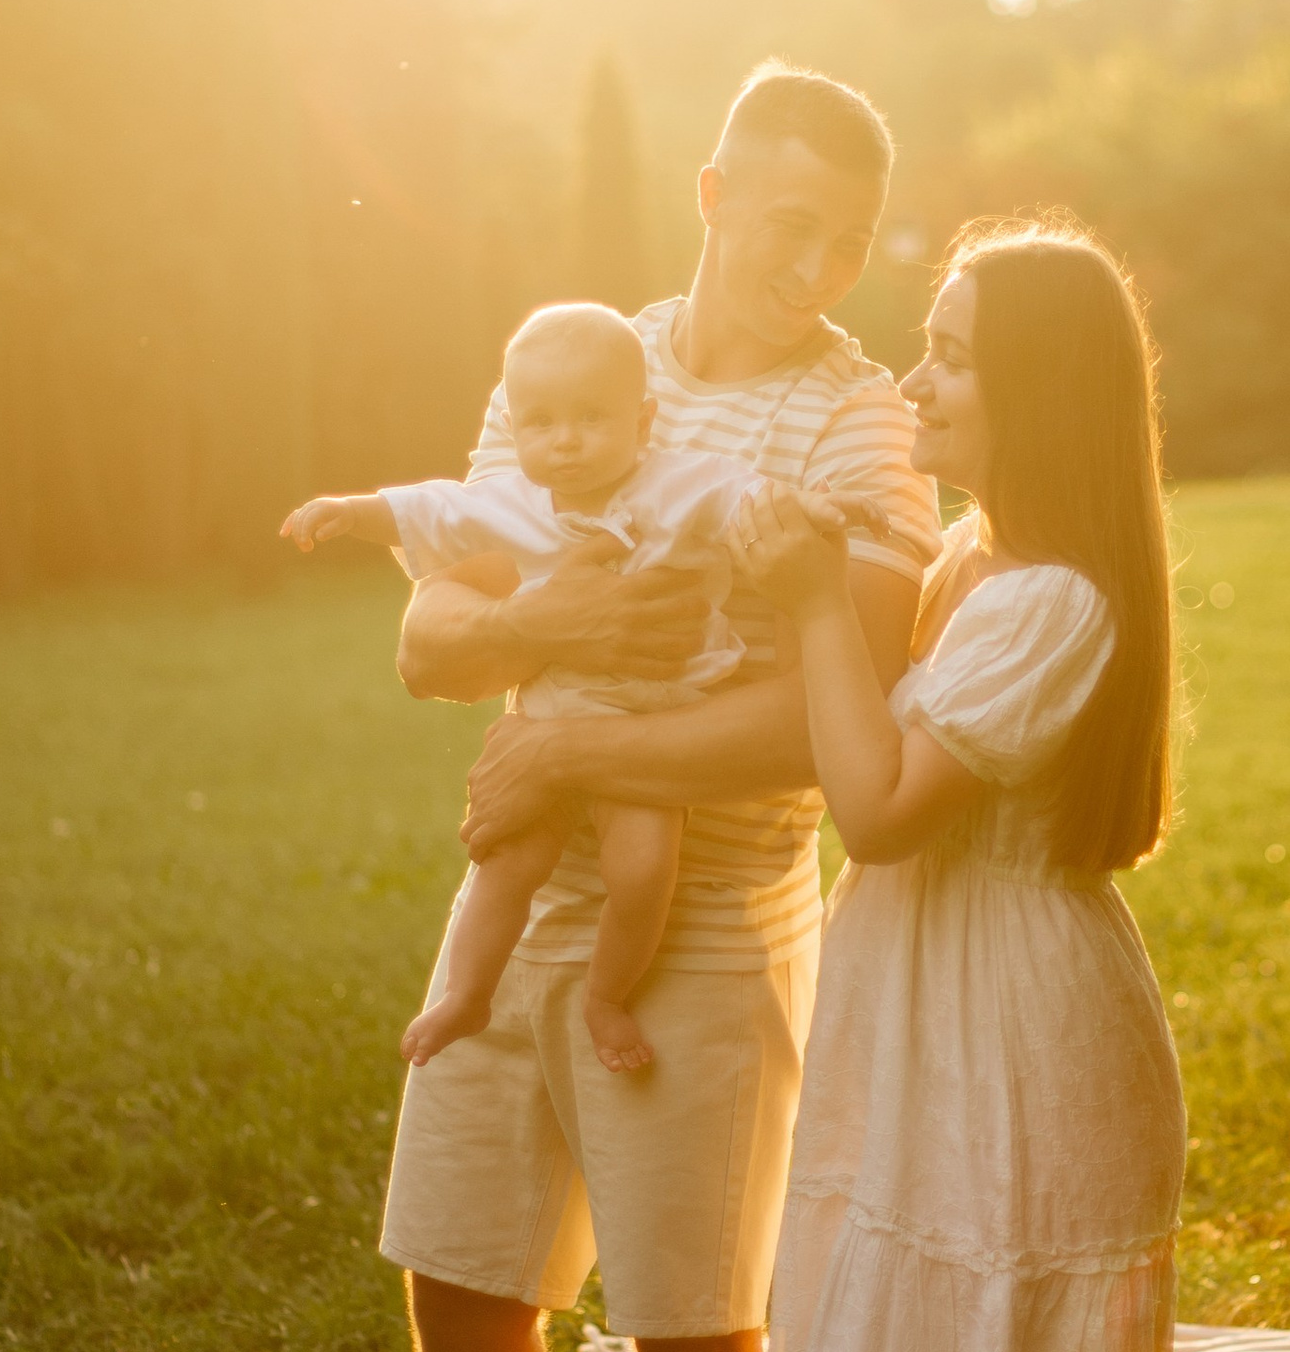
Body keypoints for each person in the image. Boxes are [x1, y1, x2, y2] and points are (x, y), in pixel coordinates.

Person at [335, 66, 943, 1352]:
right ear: (708, 191)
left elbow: (839, 713)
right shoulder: (588, 358)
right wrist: (558, 632)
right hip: (530, 901)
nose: (815, 267)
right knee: (460, 1292)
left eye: (845, 241)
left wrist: (580, 745)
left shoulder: (864, 425)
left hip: (716, 921)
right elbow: (433, 638)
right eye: (783, 225)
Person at [735, 219, 1185, 1352]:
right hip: (953, 1025)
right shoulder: (975, 562)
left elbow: (883, 807)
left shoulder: (1053, 600)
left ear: (1042, 393)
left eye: (951, 352)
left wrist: (806, 607)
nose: (916, 374)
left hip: (1024, 1046)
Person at [282, 300, 859, 1077]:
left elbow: (749, 500)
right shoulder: (515, 497)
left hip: (646, 722)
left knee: (644, 870)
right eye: (542, 423)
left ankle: (607, 995)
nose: (566, 441)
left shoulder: (678, 484)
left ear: (643, 418)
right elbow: (432, 510)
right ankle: (468, 994)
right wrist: (352, 512)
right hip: (554, 707)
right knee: (507, 863)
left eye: (591, 419)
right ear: (515, 427)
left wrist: (816, 509)